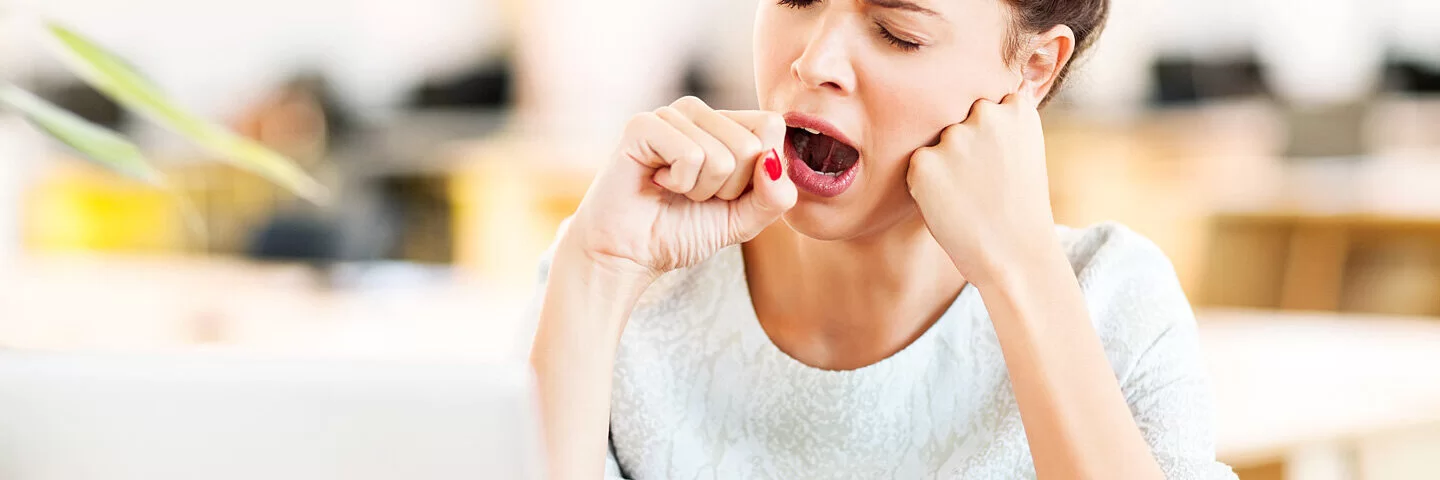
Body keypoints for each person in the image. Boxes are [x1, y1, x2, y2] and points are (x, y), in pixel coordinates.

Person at [527, 0, 1237, 478]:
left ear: (1031, 70)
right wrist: (597, 268)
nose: (815, 62)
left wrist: (1021, 274)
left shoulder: (1115, 305)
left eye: (898, 29)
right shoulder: (623, 285)